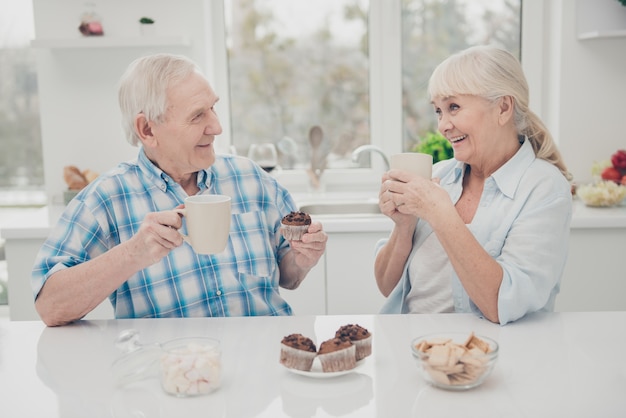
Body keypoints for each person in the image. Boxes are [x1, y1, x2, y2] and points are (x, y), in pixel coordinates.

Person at [32, 53, 327, 326]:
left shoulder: (251, 178)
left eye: (213, 108)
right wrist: (132, 254)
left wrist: (302, 260)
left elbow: (289, 276)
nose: (216, 127)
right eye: (198, 115)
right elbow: (50, 306)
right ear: (147, 130)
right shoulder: (107, 198)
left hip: (266, 360)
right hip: (172, 374)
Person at [375, 45, 572, 325]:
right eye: (438, 111)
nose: (443, 125)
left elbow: (500, 304)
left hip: (492, 355)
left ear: (503, 107)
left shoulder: (544, 188)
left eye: (453, 107)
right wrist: (403, 227)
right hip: (415, 350)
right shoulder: (440, 176)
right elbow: (386, 287)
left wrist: (439, 212)